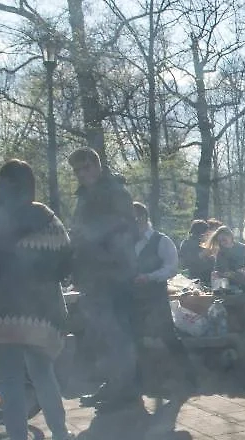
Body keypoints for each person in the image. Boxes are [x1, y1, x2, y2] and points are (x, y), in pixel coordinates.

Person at [0, 160, 73, 440]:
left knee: (8, 380)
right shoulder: (46, 218)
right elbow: (65, 263)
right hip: (36, 314)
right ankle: (61, 437)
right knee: (42, 374)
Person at [68, 147, 142, 410]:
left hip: (114, 276)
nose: (81, 174)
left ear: (97, 165)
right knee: (102, 335)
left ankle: (124, 391)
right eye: (77, 170)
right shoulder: (84, 196)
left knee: (117, 335)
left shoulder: (115, 192)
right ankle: (113, 385)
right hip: (93, 277)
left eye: (85, 167)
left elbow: (127, 231)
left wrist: (92, 241)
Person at [132, 202, 197, 389]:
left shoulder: (161, 241)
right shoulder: (128, 242)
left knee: (167, 335)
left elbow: (171, 268)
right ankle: (139, 381)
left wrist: (149, 277)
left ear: (142, 218)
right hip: (132, 296)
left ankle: (189, 377)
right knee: (133, 336)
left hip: (154, 295)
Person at [179, 219, 214, 285]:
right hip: (193, 278)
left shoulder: (205, 242)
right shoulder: (187, 243)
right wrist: (204, 253)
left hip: (208, 277)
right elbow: (187, 262)